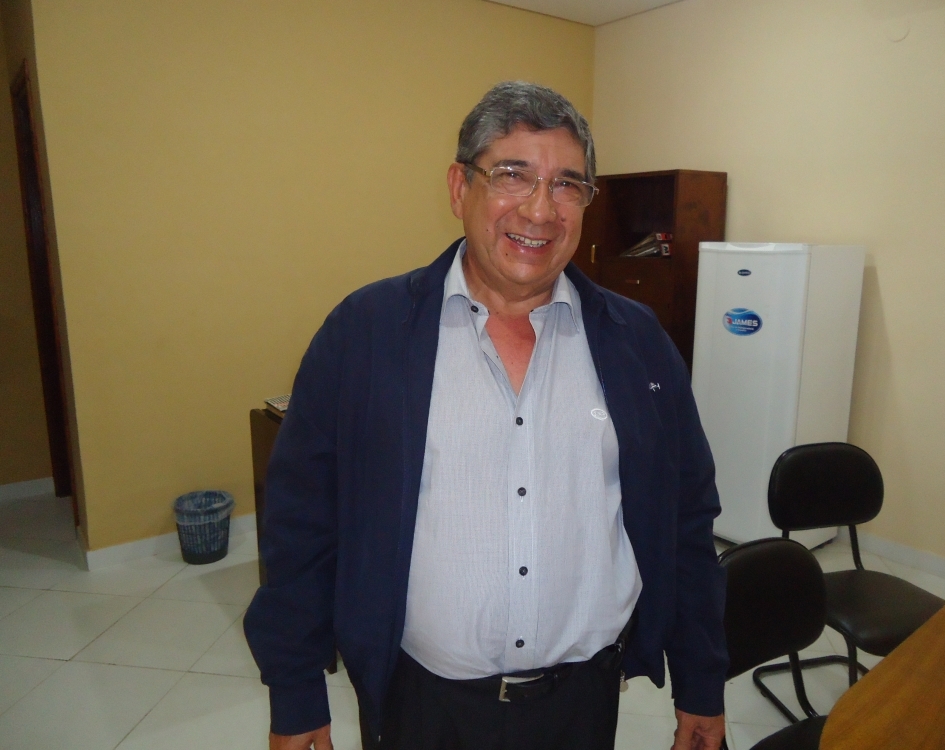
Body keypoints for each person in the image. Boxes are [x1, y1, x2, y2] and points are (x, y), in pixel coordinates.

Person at [244, 81, 727, 750]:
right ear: (458, 187)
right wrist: (296, 695)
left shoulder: (637, 341)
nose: (541, 209)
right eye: (512, 175)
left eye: (567, 185)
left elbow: (686, 518)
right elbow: (302, 523)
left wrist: (701, 681)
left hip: (584, 702)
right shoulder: (365, 333)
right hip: (421, 704)